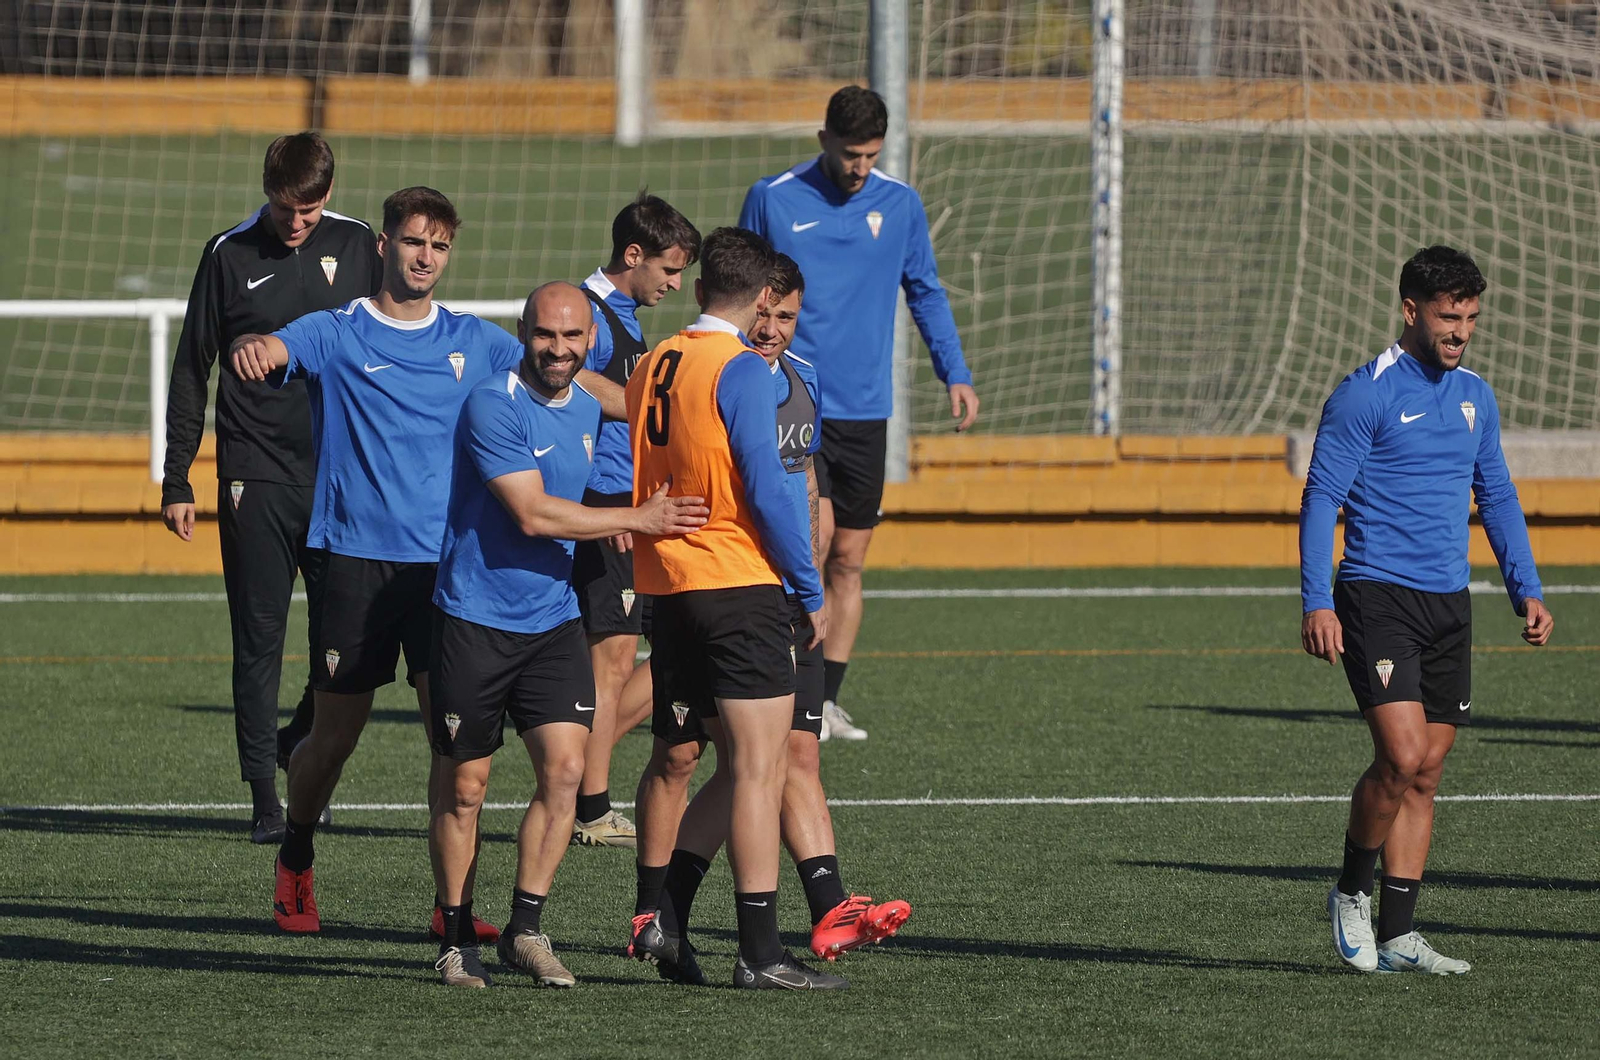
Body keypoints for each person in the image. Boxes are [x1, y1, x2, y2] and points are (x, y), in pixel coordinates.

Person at [230, 186, 523, 938]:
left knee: (454, 746)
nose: (427, 258)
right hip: (353, 566)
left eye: (441, 246)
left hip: (447, 573)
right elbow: (284, 347)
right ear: (385, 245)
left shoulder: (475, 340)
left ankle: (449, 907)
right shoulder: (341, 329)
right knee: (335, 738)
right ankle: (296, 853)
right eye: (416, 242)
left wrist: (657, 399)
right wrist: (262, 349)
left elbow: (556, 378)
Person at [629, 254, 910, 984]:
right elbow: (767, 482)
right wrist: (808, 589)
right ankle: (760, 954)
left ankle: (664, 916)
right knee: (761, 768)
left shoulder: (656, 359)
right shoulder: (744, 369)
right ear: (757, 298)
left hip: (672, 584)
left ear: (698, 288)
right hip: (740, 581)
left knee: (731, 767)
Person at [427, 282, 708, 988]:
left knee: (565, 770)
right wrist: (636, 519)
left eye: (572, 338)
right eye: (545, 336)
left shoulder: (587, 401)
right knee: (466, 786)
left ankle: (526, 927)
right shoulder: (492, 403)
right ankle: (456, 934)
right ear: (524, 333)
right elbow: (530, 512)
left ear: (591, 342)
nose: (558, 349)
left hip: (552, 620)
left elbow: (660, 409)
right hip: (473, 617)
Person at [1300, 245, 1553, 975]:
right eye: (1448, 317)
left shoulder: (1477, 394)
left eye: (1471, 317)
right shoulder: (1365, 393)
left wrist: (1524, 587)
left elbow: (1496, 495)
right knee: (1401, 755)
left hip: (1449, 603)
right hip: (1376, 595)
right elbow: (1322, 499)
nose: (1461, 331)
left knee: (1430, 770)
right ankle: (1351, 890)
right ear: (1410, 310)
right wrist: (1318, 599)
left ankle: (1401, 930)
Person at [739, 84, 980, 742]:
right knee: (811, 547)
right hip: (794, 398)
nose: (860, 168)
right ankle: (788, 687)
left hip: (866, 410)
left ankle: (824, 702)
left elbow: (924, 288)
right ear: (824, 141)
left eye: (871, 156)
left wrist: (953, 371)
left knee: (849, 556)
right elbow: (739, 289)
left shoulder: (900, 205)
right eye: (851, 154)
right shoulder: (775, 196)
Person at [161, 132, 380, 843]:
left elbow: (388, 349)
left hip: (341, 477)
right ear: (268, 189)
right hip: (253, 472)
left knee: (345, 643)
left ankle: (297, 742)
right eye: (288, 208)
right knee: (258, 638)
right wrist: (177, 476)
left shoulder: (359, 249)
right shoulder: (228, 253)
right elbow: (194, 366)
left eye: (310, 212)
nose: (296, 224)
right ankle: (263, 794)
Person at [567, 193, 702, 850]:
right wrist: (636, 409)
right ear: (633, 255)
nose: (674, 285)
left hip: (634, 504)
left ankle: (581, 775)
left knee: (664, 650)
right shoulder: (584, 314)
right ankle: (589, 805)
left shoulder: (623, 315)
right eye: (669, 271)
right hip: (607, 505)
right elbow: (568, 379)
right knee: (613, 658)